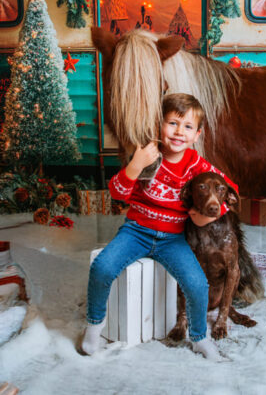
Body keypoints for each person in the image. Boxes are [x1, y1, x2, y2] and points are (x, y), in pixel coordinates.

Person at [79, 93, 238, 360]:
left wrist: (207, 217)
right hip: (136, 232)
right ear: (158, 126)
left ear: (197, 135)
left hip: (173, 238)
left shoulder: (196, 165)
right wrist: (135, 166)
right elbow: (117, 194)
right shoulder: (147, 154)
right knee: (103, 267)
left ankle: (199, 337)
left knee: (198, 284)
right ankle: (94, 329)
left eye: (187, 127)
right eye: (172, 123)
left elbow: (231, 190)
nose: (179, 132)